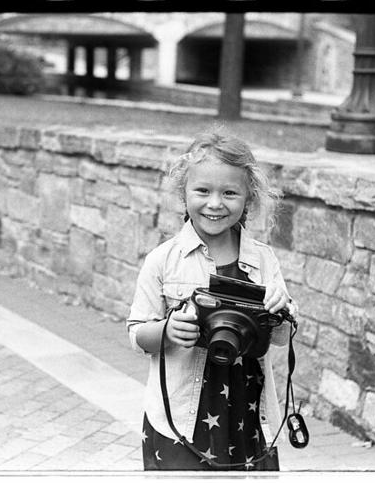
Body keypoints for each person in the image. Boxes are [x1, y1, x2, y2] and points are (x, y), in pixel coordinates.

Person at [126, 127, 298, 471]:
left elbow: (279, 338)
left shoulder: (263, 261)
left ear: (248, 197)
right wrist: (167, 331)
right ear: (183, 192)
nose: (215, 203)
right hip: (179, 419)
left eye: (229, 192)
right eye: (203, 190)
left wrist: (284, 310)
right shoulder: (163, 260)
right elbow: (136, 334)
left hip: (247, 417)